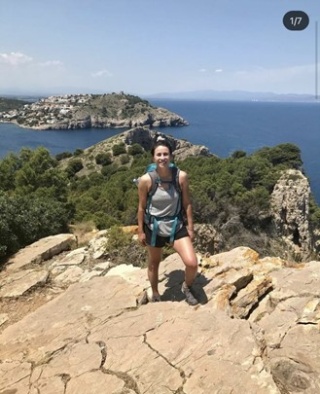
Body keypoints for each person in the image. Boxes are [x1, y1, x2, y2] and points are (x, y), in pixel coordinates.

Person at [137, 136, 199, 305]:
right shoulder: (146, 180)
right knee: (154, 263)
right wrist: (141, 230)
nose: (162, 158)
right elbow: (142, 207)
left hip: (175, 225)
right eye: (159, 155)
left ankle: (186, 286)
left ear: (171, 156)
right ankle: (156, 293)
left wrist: (190, 228)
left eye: (165, 154)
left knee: (192, 263)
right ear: (153, 158)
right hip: (153, 226)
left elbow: (187, 203)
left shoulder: (181, 177)